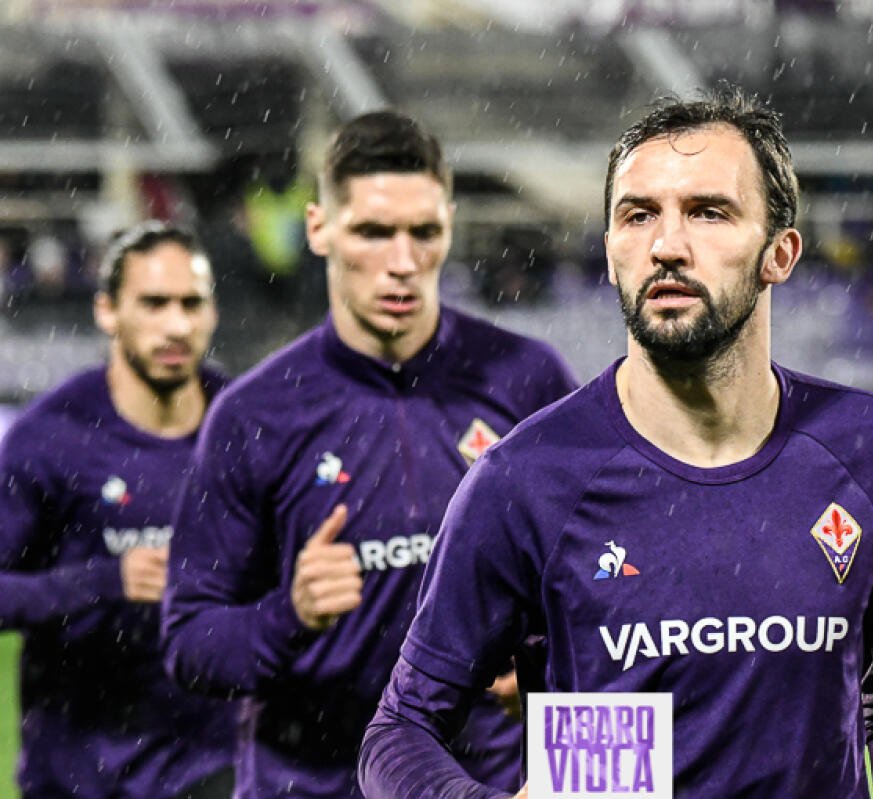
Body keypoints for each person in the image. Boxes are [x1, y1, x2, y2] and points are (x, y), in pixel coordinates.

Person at [359, 86, 873, 798]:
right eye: (637, 215)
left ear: (780, 251)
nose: (667, 245)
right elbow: (400, 731)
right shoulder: (527, 481)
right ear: (612, 251)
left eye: (709, 212)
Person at [162, 110, 578, 799]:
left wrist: (544, 676)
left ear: (449, 220)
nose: (403, 261)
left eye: (424, 232)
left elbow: (604, 589)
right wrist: (286, 616)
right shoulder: (254, 414)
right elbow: (189, 642)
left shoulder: (528, 381)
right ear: (320, 228)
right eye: (373, 232)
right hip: (308, 782)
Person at [0, 221, 234, 799]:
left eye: (191, 303)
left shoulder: (246, 426)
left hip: (214, 766)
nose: (176, 325)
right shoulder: (50, 437)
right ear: (107, 311)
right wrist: (106, 581)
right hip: (79, 773)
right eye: (154, 304)